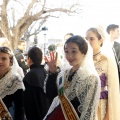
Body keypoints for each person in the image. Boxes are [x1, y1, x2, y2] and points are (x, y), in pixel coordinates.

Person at [44, 35, 100, 119]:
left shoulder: (90, 77)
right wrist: (52, 73)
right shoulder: (64, 73)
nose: (69, 56)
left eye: (74, 51)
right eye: (66, 52)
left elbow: (89, 110)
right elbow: (51, 95)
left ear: (83, 52)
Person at [86, 27, 120, 120]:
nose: (88, 42)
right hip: (84, 107)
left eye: (91, 39)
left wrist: (108, 116)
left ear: (101, 40)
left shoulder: (107, 60)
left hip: (101, 107)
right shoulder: (83, 61)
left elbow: (112, 90)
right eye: (86, 39)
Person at [23, 46, 50, 120]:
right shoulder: (45, 72)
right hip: (47, 113)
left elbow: (29, 103)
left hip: (36, 115)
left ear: (29, 59)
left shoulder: (30, 76)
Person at [0, 46, 25, 120]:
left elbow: (20, 109)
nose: (0, 61)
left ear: (11, 61)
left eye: (4, 59)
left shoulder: (16, 80)